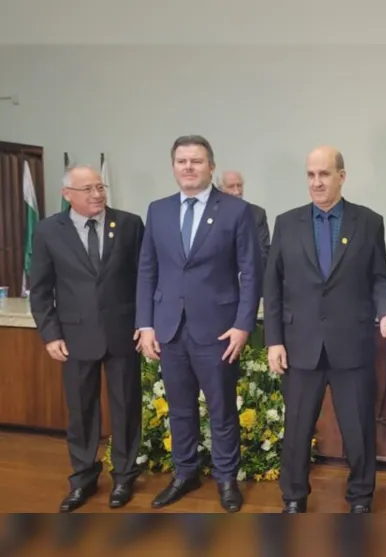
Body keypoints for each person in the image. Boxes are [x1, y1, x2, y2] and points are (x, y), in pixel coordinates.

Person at [263, 145, 386, 513]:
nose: (316, 182)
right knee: (298, 430)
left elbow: (380, 278)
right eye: (310, 175)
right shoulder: (286, 223)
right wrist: (274, 340)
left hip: (351, 344)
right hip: (300, 344)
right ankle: (293, 497)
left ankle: (360, 498)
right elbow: (272, 287)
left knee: (359, 430)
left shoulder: (369, 222)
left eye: (324, 174)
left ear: (341, 176)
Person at [136, 135, 262, 513]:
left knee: (222, 409)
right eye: (181, 161)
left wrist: (243, 324)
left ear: (210, 166)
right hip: (169, 328)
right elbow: (147, 271)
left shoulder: (236, 211)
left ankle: (226, 479)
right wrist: (145, 324)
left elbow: (251, 273)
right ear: (173, 166)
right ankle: (185, 473)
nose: (188, 167)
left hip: (219, 330)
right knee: (180, 409)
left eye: (196, 161)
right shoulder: (157, 211)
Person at [29, 165, 144, 512]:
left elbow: (145, 278)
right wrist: (50, 334)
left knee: (126, 408)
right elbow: (41, 287)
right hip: (74, 335)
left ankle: (124, 476)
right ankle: (83, 478)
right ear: (67, 195)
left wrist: (145, 323)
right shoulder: (50, 230)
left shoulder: (129, 224)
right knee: (81, 412)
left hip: (124, 332)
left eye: (100, 187)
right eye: (87, 189)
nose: (97, 194)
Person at [219, 170, 271, 267]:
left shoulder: (257, 213)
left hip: (250, 273)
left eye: (239, 185)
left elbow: (264, 252)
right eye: (231, 186)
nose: (237, 191)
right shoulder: (213, 214)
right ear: (220, 190)